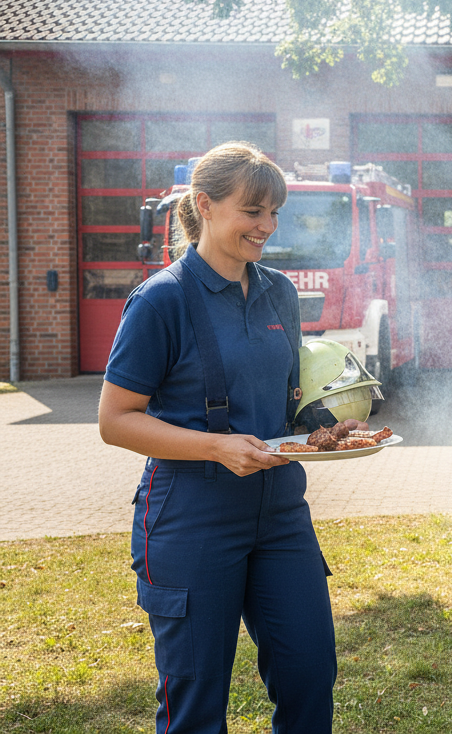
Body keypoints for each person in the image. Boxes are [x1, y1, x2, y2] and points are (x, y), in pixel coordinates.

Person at [98, 142, 337, 733]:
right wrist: (214, 446)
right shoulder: (161, 300)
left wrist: (327, 426)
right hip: (191, 516)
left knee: (310, 676)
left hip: (281, 515)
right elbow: (115, 419)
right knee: (197, 704)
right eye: (253, 211)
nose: (268, 226)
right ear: (204, 205)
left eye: (274, 212)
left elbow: (288, 396)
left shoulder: (280, 292)